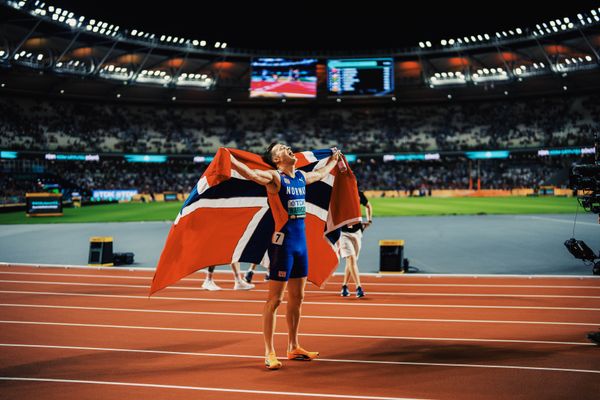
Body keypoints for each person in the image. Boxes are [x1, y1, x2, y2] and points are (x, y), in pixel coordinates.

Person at [229, 143, 341, 370]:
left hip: (301, 246)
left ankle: (293, 346)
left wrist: (334, 160)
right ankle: (269, 351)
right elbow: (251, 174)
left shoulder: (300, 176)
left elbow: (319, 174)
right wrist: (229, 160)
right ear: (276, 159)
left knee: (298, 298)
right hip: (283, 247)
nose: (288, 147)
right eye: (281, 148)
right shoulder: (274, 178)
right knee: (275, 300)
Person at [340, 188, 372, 298]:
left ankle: (344, 286)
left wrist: (369, 220)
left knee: (351, 262)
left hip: (357, 232)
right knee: (351, 259)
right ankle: (359, 287)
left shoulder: (359, 194)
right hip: (344, 233)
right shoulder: (339, 195)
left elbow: (368, 206)